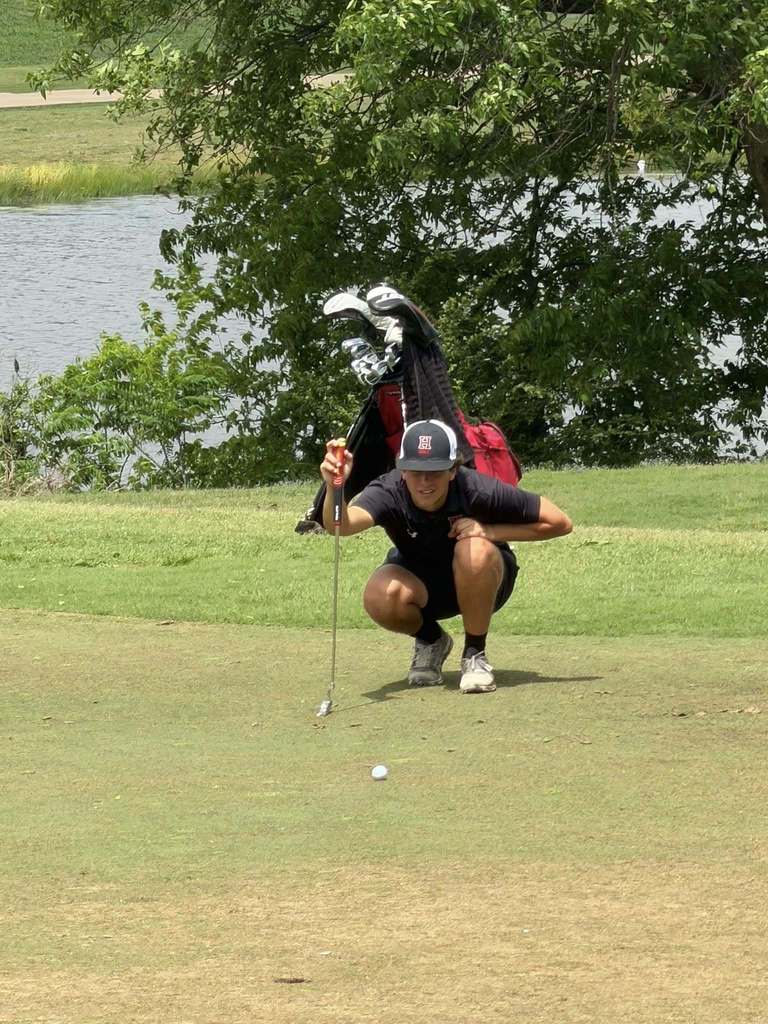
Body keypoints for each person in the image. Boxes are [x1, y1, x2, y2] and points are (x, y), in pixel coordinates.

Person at [320, 419, 572, 694]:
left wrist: (488, 531)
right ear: (402, 469)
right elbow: (340, 526)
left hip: (484, 580)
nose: (425, 481)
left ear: (453, 470)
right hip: (424, 585)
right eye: (416, 471)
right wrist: (335, 486)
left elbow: (560, 522)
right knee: (379, 594)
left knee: (473, 549)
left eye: (435, 471)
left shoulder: (476, 488)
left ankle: (474, 654)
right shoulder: (388, 491)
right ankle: (432, 640)